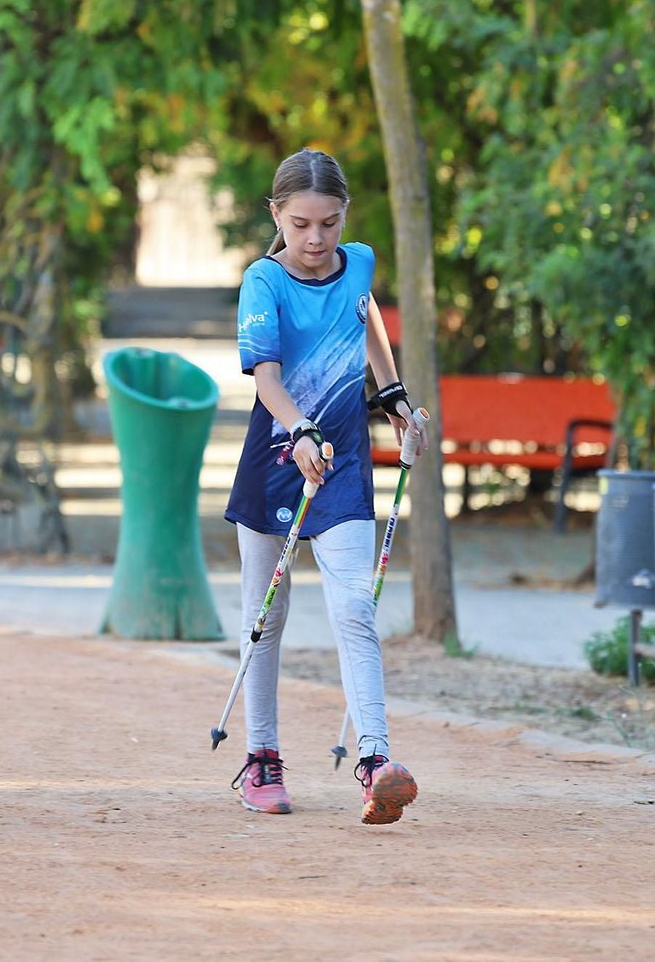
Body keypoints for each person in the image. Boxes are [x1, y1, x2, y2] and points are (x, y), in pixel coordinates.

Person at [224, 148, 424, 825]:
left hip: (342, 464)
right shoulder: (263, 281)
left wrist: (391, 392)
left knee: (355, 609)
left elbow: (366, 315)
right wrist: (301, 431)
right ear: (276, 214)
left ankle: (375, 760)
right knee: (266, 615)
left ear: (345, 218)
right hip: (276, 456)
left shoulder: (359, 262)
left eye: (329, 224)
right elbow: (268, 380)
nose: (315, 240)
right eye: (302, 223)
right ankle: (262, 759)